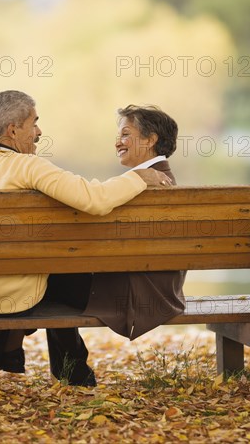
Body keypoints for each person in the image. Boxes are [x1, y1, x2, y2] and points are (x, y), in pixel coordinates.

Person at [0, 91, 172, 385]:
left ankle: (66, 369)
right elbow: (94, 199)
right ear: (13, 130)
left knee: (53, 271)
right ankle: (72, 371)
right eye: (34, 123)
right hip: (3, 298)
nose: (39, 131)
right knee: (59, 276)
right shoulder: (29, 167)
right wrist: (138, 177)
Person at [45, 104, 186, 341]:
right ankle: (71, 369)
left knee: (41, 281)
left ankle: (71, 369)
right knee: (53, 277)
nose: (117, 142)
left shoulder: (147, 185)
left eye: (125, 134)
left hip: (136, 295)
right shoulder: (160, 179)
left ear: (150, 140)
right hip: (157, 290)